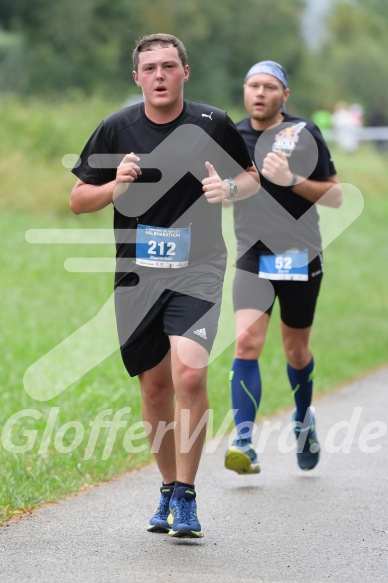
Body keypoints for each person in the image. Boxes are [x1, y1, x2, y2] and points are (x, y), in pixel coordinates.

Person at [70, 33, 259, 538]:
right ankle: (169, 487)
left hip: (198, 268)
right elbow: (78, 199)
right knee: (153, 387)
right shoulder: (117, 128)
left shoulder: (211, 122)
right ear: (137, 77)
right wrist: (116, 187)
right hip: (137, 275)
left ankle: (190, 495)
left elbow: (251, 177)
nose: (159, 75)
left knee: (190, 376)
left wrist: (229, 189)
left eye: (168, 66)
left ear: (184, 72)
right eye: (149, 68)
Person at [224, 60, 343, 475]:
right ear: (244, 90)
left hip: (300, 255)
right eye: (252, 85)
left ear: (284, 95)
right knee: (246, 344)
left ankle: (303, 419)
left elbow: (335, 196)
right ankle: (243, 441)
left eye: (269, 87)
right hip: (253, 255)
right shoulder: (232, 136)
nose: (259, 93)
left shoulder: (304, 133)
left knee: (295, 350)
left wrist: (291, 178)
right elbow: (223, 189)